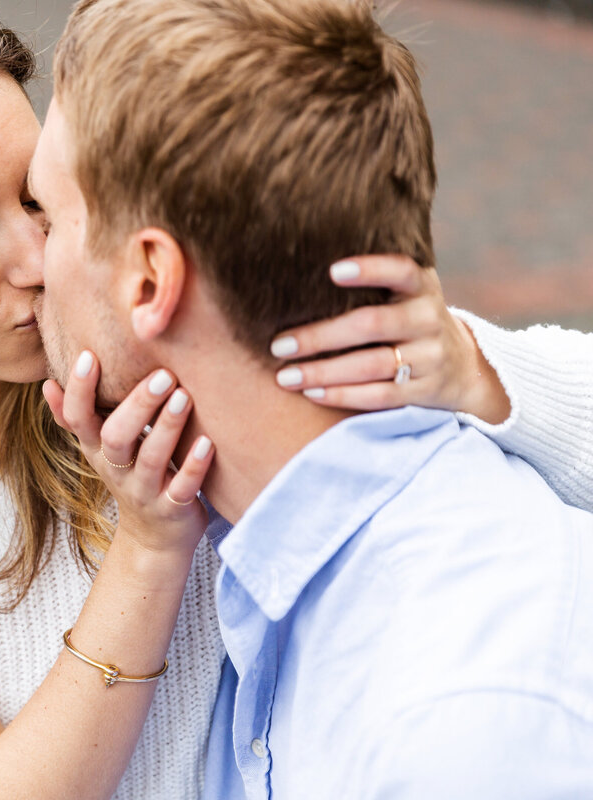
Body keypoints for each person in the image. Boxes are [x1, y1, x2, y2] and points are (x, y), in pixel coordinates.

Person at [0, 1, 593, 798]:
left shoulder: (133, 344)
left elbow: (276, 326)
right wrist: (145, 548)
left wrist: (474, 363)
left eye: (42, 201)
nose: (37, 262)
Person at [31, 0, 593, 797]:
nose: (28, 266)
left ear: (150, 279)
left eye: (47, 217)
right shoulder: (245, 550)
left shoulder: (468, 735)